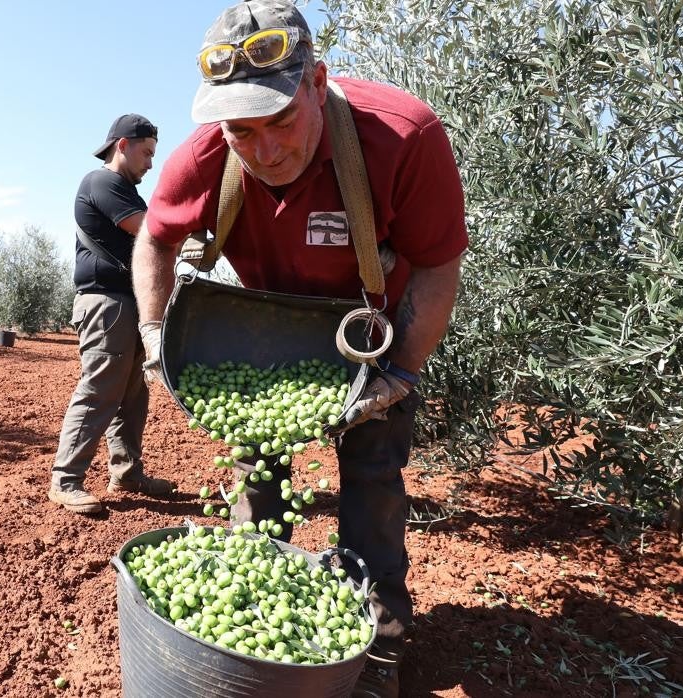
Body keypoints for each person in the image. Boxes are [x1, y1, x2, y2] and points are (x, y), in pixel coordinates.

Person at [131, 1, 467, 695]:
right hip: (262, 346)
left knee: (372, 485)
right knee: (258, 478)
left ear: (316, 83)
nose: (263, 149)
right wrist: (154, 335)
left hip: (369, 343)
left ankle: (377, 647)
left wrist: (401, 370)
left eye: (280, 122)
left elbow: (438, 265)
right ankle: (256, 615)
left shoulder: (403, 137)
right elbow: (156, 238)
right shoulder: (208, 154)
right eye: (240, 131)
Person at [48, 114, 177, 515]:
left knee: (133, 395)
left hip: (129, 305)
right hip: (106, 304)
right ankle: (66, 479)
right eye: (147, 153)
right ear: (122, 145)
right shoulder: (102, 182)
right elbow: (149, 231)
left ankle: (126, 472)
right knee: (101, 388)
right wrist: (191, 230)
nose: (151, 163)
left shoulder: (125, 189)